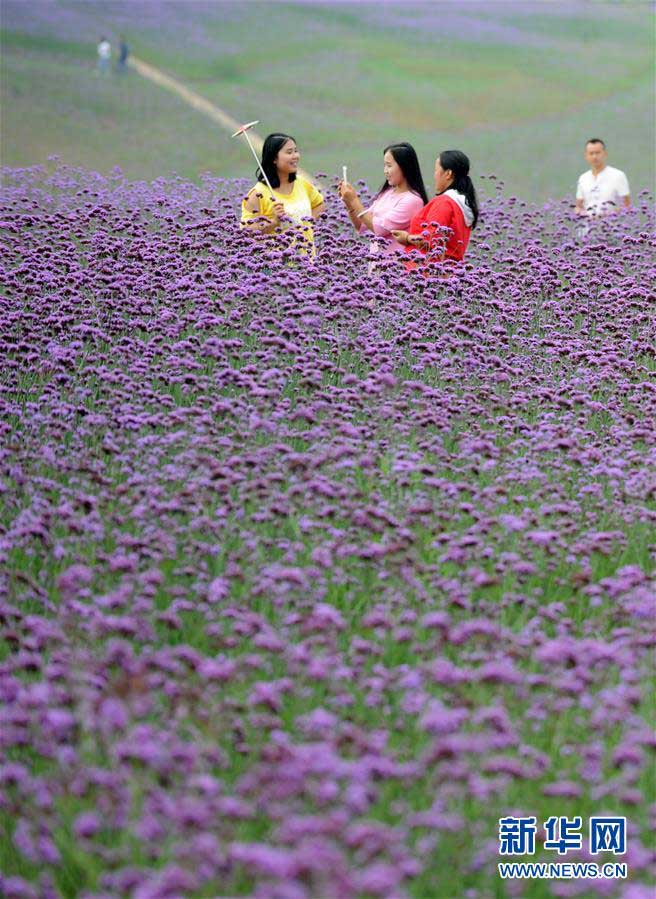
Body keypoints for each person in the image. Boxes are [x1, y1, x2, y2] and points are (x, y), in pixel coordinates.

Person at [338, 143, 427, 266]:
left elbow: (379, 229)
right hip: (377, 268)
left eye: (389, 166)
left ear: (404, 167)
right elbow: (361, 225)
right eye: (384, 165)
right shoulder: (387, 193)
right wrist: (348, 203)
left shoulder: (413, 201)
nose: (385, 171)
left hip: (395, 270)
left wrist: (354, 200)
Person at [391, 150, 478, 270]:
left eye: (436, 170)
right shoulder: (461, 204)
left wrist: (406, 238)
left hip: (426, 271)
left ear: (448, 174)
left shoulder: (445, 202)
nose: (434, 175)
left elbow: (431, 240)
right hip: (448, 271)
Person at [241, 133, 325, 256]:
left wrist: (306, 224)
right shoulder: (257, 194)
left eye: (296, 151)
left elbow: (319, 204)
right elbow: (246, 232)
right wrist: (274, 222)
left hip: (308, 263)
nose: (295, 156)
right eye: (289, 152)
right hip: (275, 267)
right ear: (274, 159)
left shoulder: (302, 183)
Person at [575, 138, 631, 218]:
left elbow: (627, 206)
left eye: (598, 153)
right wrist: (581, 213)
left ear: (605, 154)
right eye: (591, 153)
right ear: (586, 156)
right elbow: (579, 206)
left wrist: (608, 216)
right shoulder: (583, 178)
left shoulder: (618, 175)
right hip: (587, 228)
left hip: (612, 227)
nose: (594, 157)